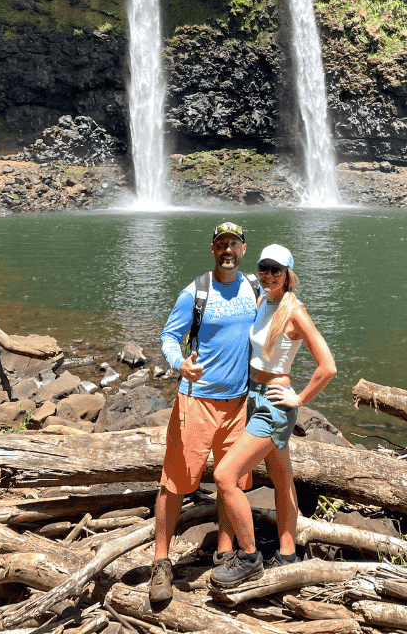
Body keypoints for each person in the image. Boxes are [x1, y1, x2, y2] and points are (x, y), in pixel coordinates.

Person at [210, 243, 336, 590]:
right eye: (263, 268)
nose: (267, 275)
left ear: (288, 276)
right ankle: (286, 551)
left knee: (224, 476)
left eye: (275, 270)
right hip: (254, 396)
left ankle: (249, 558)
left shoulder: (295, 312)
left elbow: (328, 366)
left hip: (274, 406)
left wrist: (299, 397)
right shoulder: (264, 301)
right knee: (281, 479)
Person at [149, 221, 258, 605]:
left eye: (234, 244)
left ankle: (225, 553)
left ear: (244, 249)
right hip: (196, 401)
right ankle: (161, 562)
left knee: (233, 483)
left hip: (238, 403)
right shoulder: (195, 291)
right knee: (174, 482)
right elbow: (168, 336)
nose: (228, 251)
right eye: (221, 245)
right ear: (213, 249)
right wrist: (180, 363)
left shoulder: (255, 289)